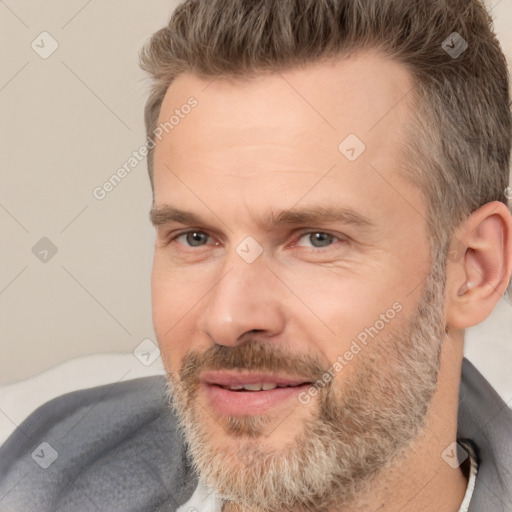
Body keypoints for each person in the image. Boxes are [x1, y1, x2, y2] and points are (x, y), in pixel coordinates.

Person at [1, 0, 511, 511]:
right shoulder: (36, 461)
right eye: (196, 238)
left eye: (316, 239)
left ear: (473, 269)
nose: (228, 318)